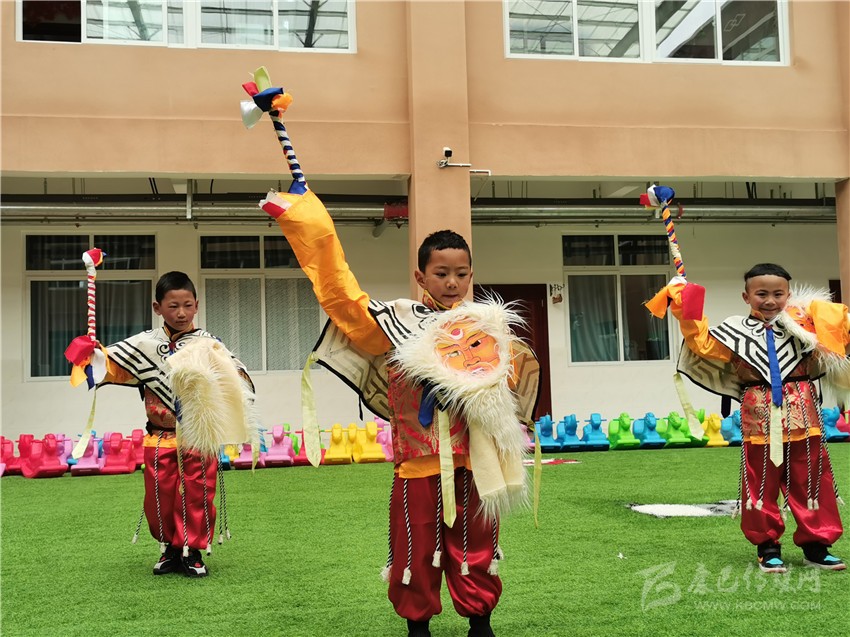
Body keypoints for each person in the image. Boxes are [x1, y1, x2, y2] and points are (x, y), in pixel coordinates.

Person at [259, 188, 539, 636]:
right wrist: (307, 223)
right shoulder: (399, 321)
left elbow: (513, 382)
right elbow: (344, 300)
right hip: (417, 462)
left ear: (471, 275)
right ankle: (417, 625)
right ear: (421, 276)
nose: (452, 282)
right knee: (415, 546)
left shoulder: (486, 327)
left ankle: (480, 621)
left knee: (476, 543)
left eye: (461, 274)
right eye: (441, 273)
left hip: (476, 461)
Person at [649, 263, 846, 573]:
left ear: (788, 294)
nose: (770, 301)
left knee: (811, 480)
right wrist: (687, 299)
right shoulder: (735, 330)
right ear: (746, 296)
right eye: (761, 294)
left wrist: (820, 310)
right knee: (760, 481)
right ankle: (767, 547)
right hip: (758, 416)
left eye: (778, 294)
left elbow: (839, 332)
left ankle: (817, 546)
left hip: (804, 416)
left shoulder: (804, 324)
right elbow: (701, 342)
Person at [69, 271, 257, 577]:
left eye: (187, 305)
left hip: (198, 435)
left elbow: (237, 380)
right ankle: (170, 548)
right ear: (157, 307)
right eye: (173, 306)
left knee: (198, 492)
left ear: (196, 305)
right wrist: (92, 353)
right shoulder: (144, 344)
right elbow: (112, 366)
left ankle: (192, 551)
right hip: (159, 435)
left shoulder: (209, 345)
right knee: (160, 494)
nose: (181, 313)